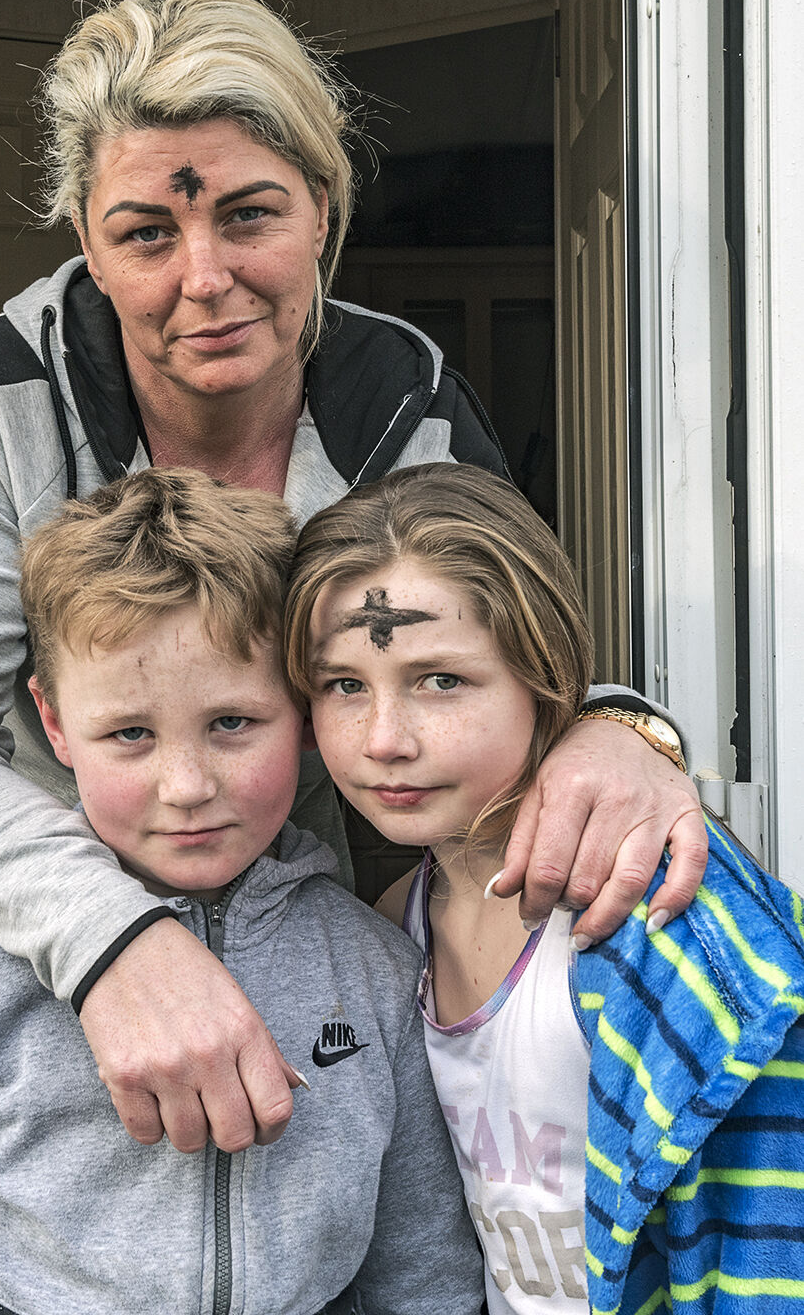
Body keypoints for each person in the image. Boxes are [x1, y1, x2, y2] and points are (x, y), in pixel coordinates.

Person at [0, 0, 706, 1154]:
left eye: (249, 215)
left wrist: (617, 729)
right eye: (147, 231)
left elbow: (500, 667)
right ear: (89, 244)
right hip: (43, 984)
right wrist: (117, 943)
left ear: (320, 208)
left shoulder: (400, 400)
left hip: (328, 985)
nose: (203, 277)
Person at [0, 469, 485, 1315]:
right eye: (129, 734)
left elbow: (424, 1275)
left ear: (299, 708)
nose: (185, 786)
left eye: (231, 723)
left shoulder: (375, 964)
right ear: (52, 724)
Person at [283, 461, 804, 1315]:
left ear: (544, 674)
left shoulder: (659, 916)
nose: (383, 739)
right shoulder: (389, 934)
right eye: (344, 685)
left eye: (439, 680)